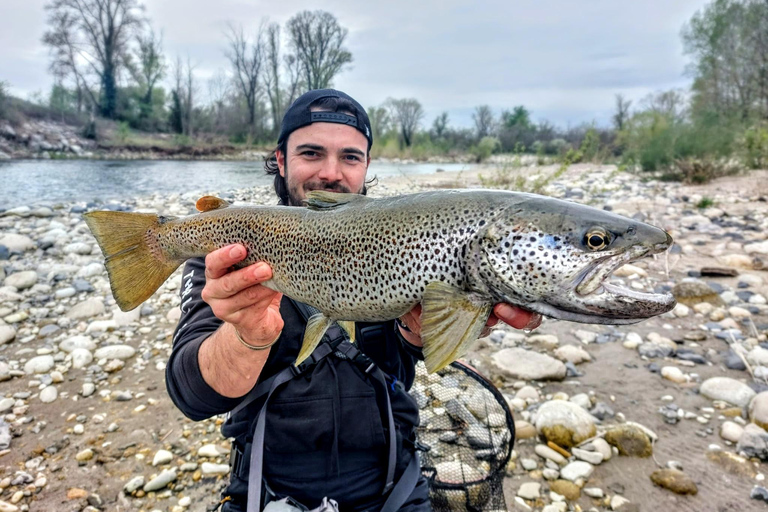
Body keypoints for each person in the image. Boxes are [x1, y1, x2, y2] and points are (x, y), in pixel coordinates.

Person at [166, 89, 541, 512]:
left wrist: (418, 333)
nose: (332, 172)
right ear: (282, 159)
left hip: (393, 484)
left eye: (350, 157)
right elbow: (191, 396)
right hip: (268, 485)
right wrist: (246, 338)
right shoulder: (228, 250)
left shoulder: (401, 237)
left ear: (366, 165)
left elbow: (404, 356)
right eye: (311, 153)